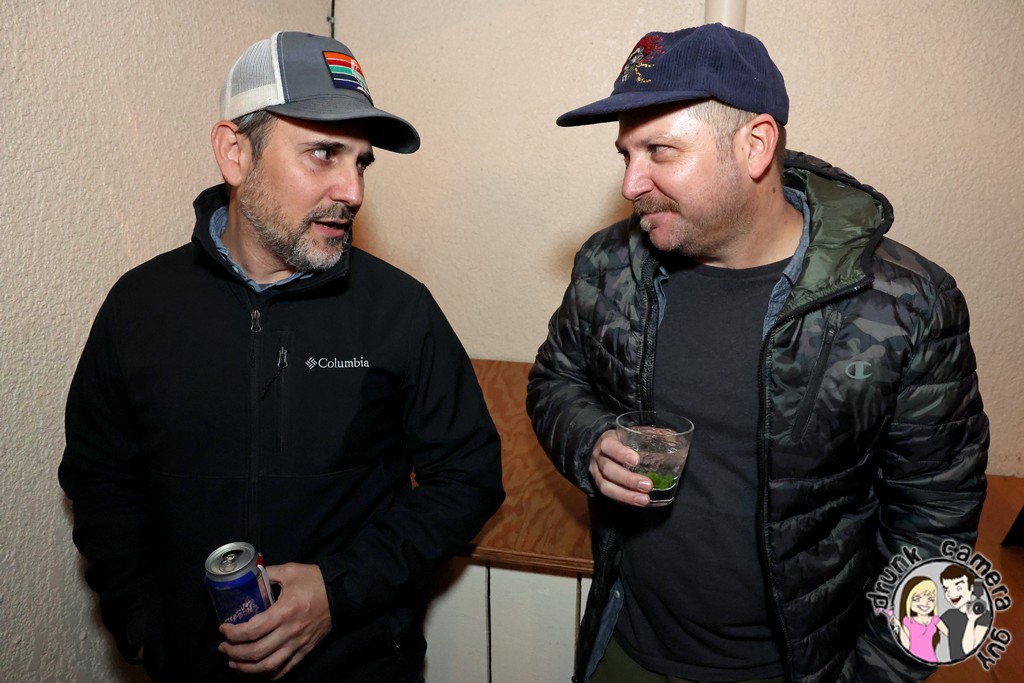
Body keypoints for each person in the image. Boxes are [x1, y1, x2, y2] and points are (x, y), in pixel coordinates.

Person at [526, 23, 988, 683]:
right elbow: (555, 381)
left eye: (659, 150)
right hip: (625, 648)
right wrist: (589, 439)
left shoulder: (905, 305)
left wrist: (878, 675)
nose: (630, 183)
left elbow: (938, 529)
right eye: (626, 154)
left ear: (756, 145)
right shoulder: (609, 265)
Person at [59, 31, 504, 682]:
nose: (352, 190)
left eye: (361, 162)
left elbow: (467, 477)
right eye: (323, 153)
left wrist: (338, 588)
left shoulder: (399, 310)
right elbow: (101, 480)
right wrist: (149, 630)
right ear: (235, 153)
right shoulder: (140, 307)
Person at [939, 564, 991, 661]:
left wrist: (971, 620)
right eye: (946, 589)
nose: (951, 594)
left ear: (971, 587)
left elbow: (969, 650)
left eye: (958, 588)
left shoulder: (984, 616)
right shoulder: (949, 614)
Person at [891, 577, 948, 662]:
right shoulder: (908, 621)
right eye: (917, 599)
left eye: (931, 599)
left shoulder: (935, 620)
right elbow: (906, 645)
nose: (925, 603)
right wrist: (898, 626)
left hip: (931, 660)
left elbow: (951, 635)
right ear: (908, 600)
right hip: (912, 661)